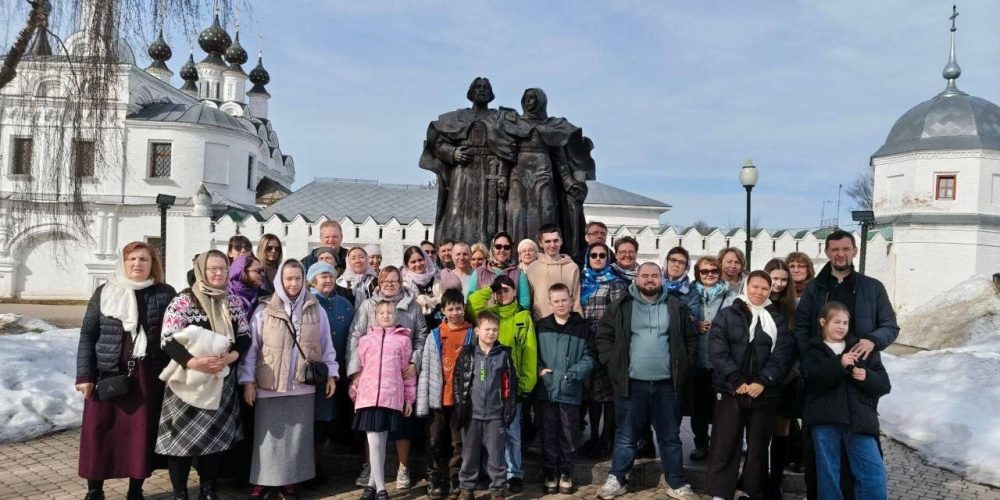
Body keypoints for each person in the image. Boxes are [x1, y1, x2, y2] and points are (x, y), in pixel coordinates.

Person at [794, 230, 898, 500]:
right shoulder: (815, 288)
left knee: (863, 453)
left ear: (854, 251)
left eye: (845, 249)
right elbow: (802, 328)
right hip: (824, 385)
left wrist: (872, 341)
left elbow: (889, 325)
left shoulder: (872, 287)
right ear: (827, 253)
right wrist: (813, 358)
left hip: (858, 384)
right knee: (825, 460)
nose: (840, 254)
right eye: (835, 250)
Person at [76, 242, 176, 500]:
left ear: (153, 263)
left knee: (140, 435)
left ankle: (135, 490)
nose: (137, 264)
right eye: (132, 258)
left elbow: (175, 334)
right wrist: (85, 376)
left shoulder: (164, 293)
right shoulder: (105, 292)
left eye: (143, 259)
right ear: (124, 262)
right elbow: (88, 334)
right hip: (107, 372)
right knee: (99, 433)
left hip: (147, 375)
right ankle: (95, 491)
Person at [595, 262, 699, 500]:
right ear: (637, 279)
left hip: (666, 385)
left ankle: (678, 482)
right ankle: (617, 479)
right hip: (631, 383)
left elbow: (690, 339)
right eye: (645, 276)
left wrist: (684, 366)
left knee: (670, 436)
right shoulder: (622, 305)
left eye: (654, 275)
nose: (650, 280)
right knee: (626, 435)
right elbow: (603, 336)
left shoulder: (675, 306)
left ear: (661, 278)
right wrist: (613, 363)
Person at [156, 250, 252, 500]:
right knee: (180, 443)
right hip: (189, 382)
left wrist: (233, 356)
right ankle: (180, 493)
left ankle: (208, 489)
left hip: (221, 379)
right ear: (201, 271)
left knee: (215, 439)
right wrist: (193, 362)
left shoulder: (232, 301)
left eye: (223, 268)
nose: (218, 273)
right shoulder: (184, 301)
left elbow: (244, 336)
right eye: (212, 269)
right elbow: (167, 339)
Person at [240, 260, 340, 499]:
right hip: (270, 384)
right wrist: (248, 381)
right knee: (267, 439)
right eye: (288, 279)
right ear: (280, 281)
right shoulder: (264, 309)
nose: (293, 283)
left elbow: (327, 346)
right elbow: (252, 349)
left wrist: (332, 374)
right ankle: (263, 482)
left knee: (296, 440)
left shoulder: (316, 308)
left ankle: (290, 482)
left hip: (302, 386)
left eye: (297, 278)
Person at [706, 270, 795, 500]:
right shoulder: (728, 314)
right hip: (731, 390)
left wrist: (763, 381)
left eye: (764, 288)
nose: (759, 292)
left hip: (763, 393)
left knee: (757, 448)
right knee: (725, 444)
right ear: (746, 287)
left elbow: (783, 353)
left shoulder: (775, 318)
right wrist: (735, 379)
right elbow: (718, 348)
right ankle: (720, 492)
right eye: (755, 286)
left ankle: (751, 490)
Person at [348, 266, 429, 490]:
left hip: (400, 373)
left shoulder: (411, 306)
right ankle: (371, 467)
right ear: (379, 282)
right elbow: (357, 335)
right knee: (372, 425)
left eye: (395, 280)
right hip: (372, 375)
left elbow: (421, 335)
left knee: (401, 424)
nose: (390, 284)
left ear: (401, 282)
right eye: (385, 280)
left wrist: (415, 362)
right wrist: (355, 370)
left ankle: (402, 466)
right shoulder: (368, 305)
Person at [801, 302, 890, 500]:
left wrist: (866, 376)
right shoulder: (812, 349)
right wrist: (839, 364)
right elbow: (811, 379)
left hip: (858, 419)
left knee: (873, 471)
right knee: (828, 473)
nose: (841, 327)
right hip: (824, 418)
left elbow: (884, 385)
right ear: (823, 322)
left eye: (845, 323)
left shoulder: (862, 348)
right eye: (836, 322)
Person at [467, 275, 537, 492]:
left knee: (512, 433)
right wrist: (490, 288)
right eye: (499, 291)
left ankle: (514, 473)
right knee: (489, 436)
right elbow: (471, 305)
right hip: (488, 384)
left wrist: (525, 384)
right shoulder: (490, 315)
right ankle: (490, 471)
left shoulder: (523, 317)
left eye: (506, 290)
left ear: (515, 292)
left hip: (511, 385)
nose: (502, 294)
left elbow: (529, 353)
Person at [351, 301, 417, 500]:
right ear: (375, 315)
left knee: (380, 441)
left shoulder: (403, 341)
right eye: (382, 312)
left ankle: (371, 487)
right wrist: (355, 393)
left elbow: (408, 374)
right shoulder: (365, 340)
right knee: (373, 441)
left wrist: (409, 399)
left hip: (391, 397)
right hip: (368, 397)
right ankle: (381, 489)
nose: (386, 315)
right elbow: (359, 370)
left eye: (390, 312)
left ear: (395, 315)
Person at [417, 289, 475, 499]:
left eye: (458, 308)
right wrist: (423, 401)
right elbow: (426, 369)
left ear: (464, 308)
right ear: (443, 311)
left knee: (457, 442)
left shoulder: (471, 333)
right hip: (437, 397)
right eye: (450, 309)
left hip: (461, 399)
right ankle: (434, 476)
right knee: (434, 440)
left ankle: (455, 477)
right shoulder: (435, 335)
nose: (455, 313)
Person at [536, 283, 594, 494]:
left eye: (564, 300)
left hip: (570, 389)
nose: (561, 304)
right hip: (547, 389)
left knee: (569, 433)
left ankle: (566, 472)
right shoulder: (541, 325)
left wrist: (573, 374)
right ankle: (550, 472)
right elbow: (532, 354)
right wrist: (540, 371)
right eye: (556, 301)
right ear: (550, 303)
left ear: (571, 301)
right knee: (548, 432)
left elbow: (590, 356)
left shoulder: (582, 327)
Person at [454, 311, 518, 500]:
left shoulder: (504, 354)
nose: (491, 333)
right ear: (477, 331)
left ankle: (498, 488)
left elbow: (511, 384)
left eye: (495, 330)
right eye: (487, 329)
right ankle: (466, 487)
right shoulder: (468, 353)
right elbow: (458, 382)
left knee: (496, 455)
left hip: (495, 415)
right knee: (469, 454)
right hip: (472, 415)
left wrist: (508, 409)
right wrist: (460, 407)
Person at [307, 262, 355, 487]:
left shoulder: (344, 304)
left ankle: (317, 466)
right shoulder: (308, 303)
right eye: (322, 277)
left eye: (330, 276)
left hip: (337, 373)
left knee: (325, 422)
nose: (327, 280)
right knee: (312, 422)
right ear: (313, 280)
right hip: (311, 374)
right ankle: (307, 468)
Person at [579, 242, 626, 459]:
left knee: (608, 394)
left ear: (608, 258)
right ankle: (594, 436)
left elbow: (619, 314)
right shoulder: (582, 281)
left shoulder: (615, 283)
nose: (598, 258)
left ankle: (607, 437)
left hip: (607, 342)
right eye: (594, 255)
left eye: (602, 255)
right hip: (586, 341)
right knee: (592, 394)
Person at [685, 256, 734, 462]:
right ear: (698, 274)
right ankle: (701, 444)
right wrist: (693, 323)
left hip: (720, 361)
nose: (710, 274)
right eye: (704, 271)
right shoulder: (689, 293)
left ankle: (720, 445)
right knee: (699, 408)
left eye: (713, 270)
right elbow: (681, 318)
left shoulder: (731, 295)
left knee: (721, 408)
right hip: (697, 360)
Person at [224, 255, 265, 485]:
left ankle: (245, 474)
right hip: (227, 367)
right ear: (241, 272)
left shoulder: (262, 299)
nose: (261, 275)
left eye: (261, 271)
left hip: (252, 368)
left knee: (249, 420)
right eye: (256, 271)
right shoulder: (227, 299)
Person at [525, 223, 582, 319]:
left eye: (555, 240)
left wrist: (580, 325)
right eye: (547, 241)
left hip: (567, 324)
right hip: (540, 323)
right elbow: (529, 300)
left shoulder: (572, 267)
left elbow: (576, 301)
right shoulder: (532, 268)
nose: (552, 245)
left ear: (561, 241)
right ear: (540, 243)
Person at [468, 232, 531, 310]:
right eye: (498, 246)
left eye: (506, 247)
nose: (502, 250)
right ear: (492, 248)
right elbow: (471, 302)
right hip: (486, 320)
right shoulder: (479, 272)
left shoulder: (519, 273)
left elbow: (525, 303)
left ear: (511, 250)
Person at [402, 245, 443, 330]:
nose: (418, 264)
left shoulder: (438, 276)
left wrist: (423, 300)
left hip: (440, 326)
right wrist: (436, 300)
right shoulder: (405, 283)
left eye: (420, 260)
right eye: (413, 262)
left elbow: (445, 299)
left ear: (426, 260)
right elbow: (410, 305)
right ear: (407, 264)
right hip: (417, 328)